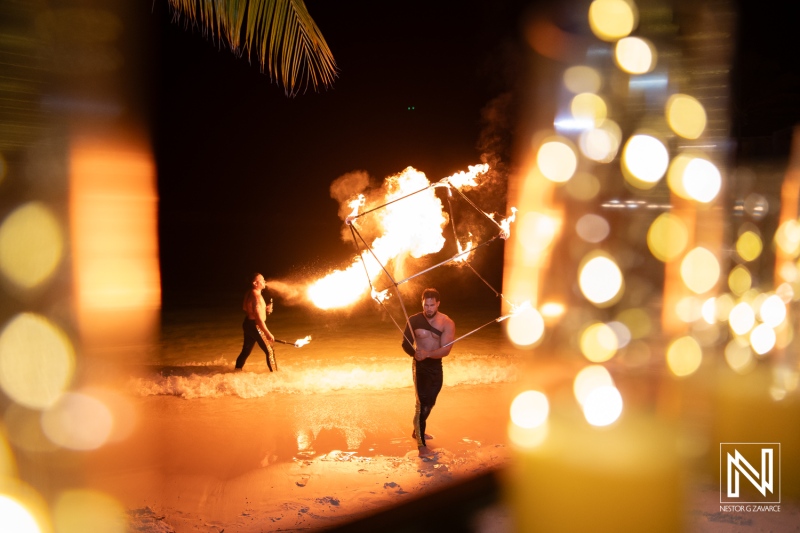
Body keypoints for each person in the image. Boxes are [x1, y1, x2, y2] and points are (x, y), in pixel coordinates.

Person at [401, 288, 455, 457]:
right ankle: (421, 446)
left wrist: (429, 354)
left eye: (432, 305)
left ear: (438, 304)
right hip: (420, 366)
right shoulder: (414, 320)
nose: (429, 308)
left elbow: (446, 350)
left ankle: (416, 430)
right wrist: (414, 353)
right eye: (426, 305)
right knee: (421, 404)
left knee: (430, 403)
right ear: (422, 303)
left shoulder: (447, 323)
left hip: (435, 366)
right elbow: (405, 343)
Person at [234, 273, 276, 371]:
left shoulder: (249, 292)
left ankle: (236, 371)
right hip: (256, 326)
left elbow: (245, 308)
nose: (264, 281)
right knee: (270, 351)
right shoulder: (257, 297)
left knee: (246, 351)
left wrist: (265, 309)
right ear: (255, 283)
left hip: (247, 324)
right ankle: (275, 375)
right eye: (262, 280)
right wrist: (268, 333)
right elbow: (259, 319)